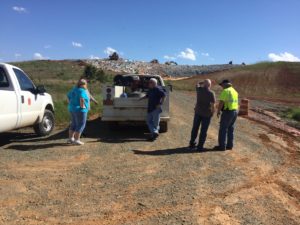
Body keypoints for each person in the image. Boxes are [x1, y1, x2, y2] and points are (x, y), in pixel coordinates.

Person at [189, 79, 216, 151]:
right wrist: (213, 112)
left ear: (204, 84)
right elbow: (213, 105)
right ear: (210, 85)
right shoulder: (211, 93)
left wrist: (201, 82)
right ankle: (200, 146)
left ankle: (192, 143)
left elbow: (197, 84)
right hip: (207, 114)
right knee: (203, 130)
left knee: (195, 128)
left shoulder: (199, 90)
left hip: (198, 112)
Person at [214, 79, 239, 151]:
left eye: (222, 85)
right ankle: (229, 145)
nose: (221, 86)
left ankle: (222, 146)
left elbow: (221, 102)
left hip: (227, 112)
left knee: (223, 129)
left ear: (225, 84)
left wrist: (218, 111)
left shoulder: (225, 91)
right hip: (234, 112)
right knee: (230, 129)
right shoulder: (234, 91)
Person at [67, 79, 90, 145]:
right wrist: (83, 107)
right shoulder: (82, 91)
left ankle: (71, 138)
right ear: (84, 84)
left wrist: (71, 104)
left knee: (73, 124)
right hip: (80, 110)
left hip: (72, 109)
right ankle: (77, 139)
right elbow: (82, 99)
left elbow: (68, 96)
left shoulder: (74, 89)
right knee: (81, 124)